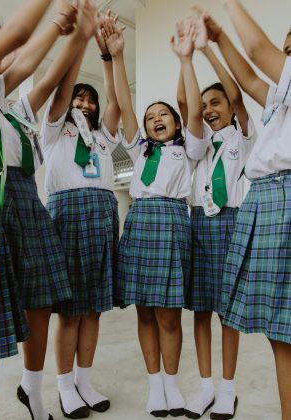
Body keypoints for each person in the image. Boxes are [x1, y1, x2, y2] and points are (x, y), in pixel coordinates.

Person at [0, 2, 100, 419]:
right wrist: (57, 22)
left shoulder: (12, 109)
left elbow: (54, 78)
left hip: (25, 202)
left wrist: (80, 38)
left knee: (39, 300)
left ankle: (32, 390)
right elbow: (21, 36)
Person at [101, 19, 207, 418]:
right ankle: (155, 385)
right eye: (151, 117)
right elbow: (124, 104)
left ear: (176, 124)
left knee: (168, 313)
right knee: (144, 310)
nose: (156, 118)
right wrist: (118, 54)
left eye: (164, 114)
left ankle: (173, 382)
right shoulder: (140, 149)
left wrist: (186, 60)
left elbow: (192, 107)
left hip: (173, 222)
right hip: (141, 222)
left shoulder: (189, 149)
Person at [205, 1, 291, 419]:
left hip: (285, 192)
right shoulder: (280, 100)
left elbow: (258, 53)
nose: (286, 57)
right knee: (281, 330)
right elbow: (251, 79)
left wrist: (225, 11)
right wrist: (217, 39)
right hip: (267, 196)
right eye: (285, 49)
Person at [41, 10, 120, 419]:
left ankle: (85, 381)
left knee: (93, 307)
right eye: (80, 97)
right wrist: (82, 41)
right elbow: (60, 93)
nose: (85, 103)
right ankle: (64, 385)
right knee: (70, 309)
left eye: (89, 100)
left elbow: (115, 101)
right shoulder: (55, 126)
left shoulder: (104, 135)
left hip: (103, 212)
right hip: (68, 213)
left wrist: (108, 58)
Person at [176, 12, 256, 420]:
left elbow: (241, 98)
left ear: (229, 106)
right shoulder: (197, 143)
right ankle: (205, 386)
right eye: (205, 105)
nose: (208, 110)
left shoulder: (241, 136)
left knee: (228, 310)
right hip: (198, 223)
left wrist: (207, 49)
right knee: (201, 309)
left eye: (216, 102)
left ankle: (228, 389)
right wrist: (185, 58)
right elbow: (184, 105)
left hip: (232, 222)